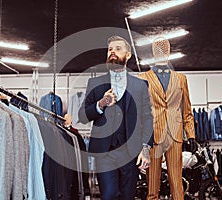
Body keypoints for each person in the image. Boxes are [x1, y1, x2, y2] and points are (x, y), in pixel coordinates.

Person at [78, 35, 153, 200]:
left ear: (128, 55)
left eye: (118, 49)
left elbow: (147, 118)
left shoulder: (140, 85)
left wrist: (145, 148)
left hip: (131, 151)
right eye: (110, 49)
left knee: (127, 196)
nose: (112, 52)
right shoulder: (95, 83)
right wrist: (102, 103)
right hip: (105, 152)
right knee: (109, 195)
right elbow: (82, 116)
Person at [138, 37, 196, 200]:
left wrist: (191, 135)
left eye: (164, 48)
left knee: (176, 182)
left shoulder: (181, 79)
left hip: (174, 134)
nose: (161, 52)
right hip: (152, 135)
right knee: (152, 184)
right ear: (153, 52)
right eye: (158, 49)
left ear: (169, 52)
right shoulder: (143, 77)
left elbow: (187, 110)